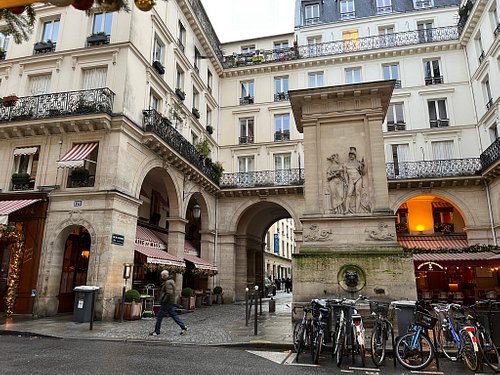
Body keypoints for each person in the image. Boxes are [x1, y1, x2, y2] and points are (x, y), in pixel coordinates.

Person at [150, 270, 188, 336]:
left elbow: (169, 293)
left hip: (167, 302)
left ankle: (156, 331)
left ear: (164, 275)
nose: (161, 277)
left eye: (162, 276)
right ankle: (183, 327)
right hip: (170, 302)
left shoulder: (168, 282)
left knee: (159, 317)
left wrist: (163, 300)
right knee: (174, 315)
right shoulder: (171, 281)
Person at [343, 147, 365, 214]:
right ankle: (346, 210)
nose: (351, 156)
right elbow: (345, 174)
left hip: (358, 178)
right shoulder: (345, 164)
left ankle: (357, 210)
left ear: (355, 155)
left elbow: (363, 173)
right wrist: (346, 182)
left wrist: (363, 166)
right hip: (351, 180)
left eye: (352, 154)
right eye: (350, 154)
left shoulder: (358, 163)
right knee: (348, 194)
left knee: (358, 194)